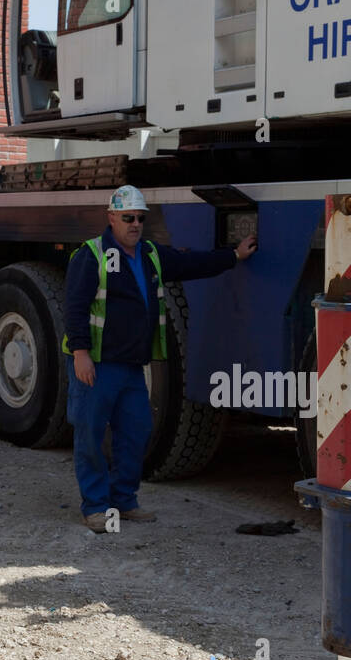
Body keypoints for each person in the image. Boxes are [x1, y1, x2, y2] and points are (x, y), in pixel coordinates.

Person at [63, 185, 257, 531]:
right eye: (128, 218)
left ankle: (124, 500)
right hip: (97, 366)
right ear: (111, 218)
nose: (135, 224)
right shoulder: (91, 256)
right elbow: (75, 308)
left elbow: (191, 263)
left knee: (136, 432)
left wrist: (234, 255)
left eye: (140, 218)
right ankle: (95, 506)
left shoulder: (150, 255)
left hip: (132, 368)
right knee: (90, 435)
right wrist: (80, 354)